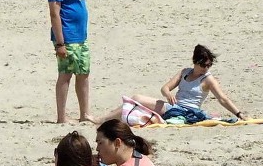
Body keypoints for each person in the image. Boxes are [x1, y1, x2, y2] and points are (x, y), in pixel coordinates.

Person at [89, 44, 247, 125]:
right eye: (203, 65)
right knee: (135, 101)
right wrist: (168, 94)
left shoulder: (208, 79)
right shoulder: (185, 72)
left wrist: (239, 114)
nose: (206, 68)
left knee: (137, 98)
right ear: (195, 62)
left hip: (186, 111)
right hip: (173, 106)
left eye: (209, 65)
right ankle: (107, 119)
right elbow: (165, 87)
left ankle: (102, 119)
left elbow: (223, 99)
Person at [47, 0, 92, 124]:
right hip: (67, 37)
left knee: (83, 73)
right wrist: (60, 43)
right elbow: (54, 13)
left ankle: (84, 114)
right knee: (65, 74)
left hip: (81, 36)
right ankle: (61, 117)